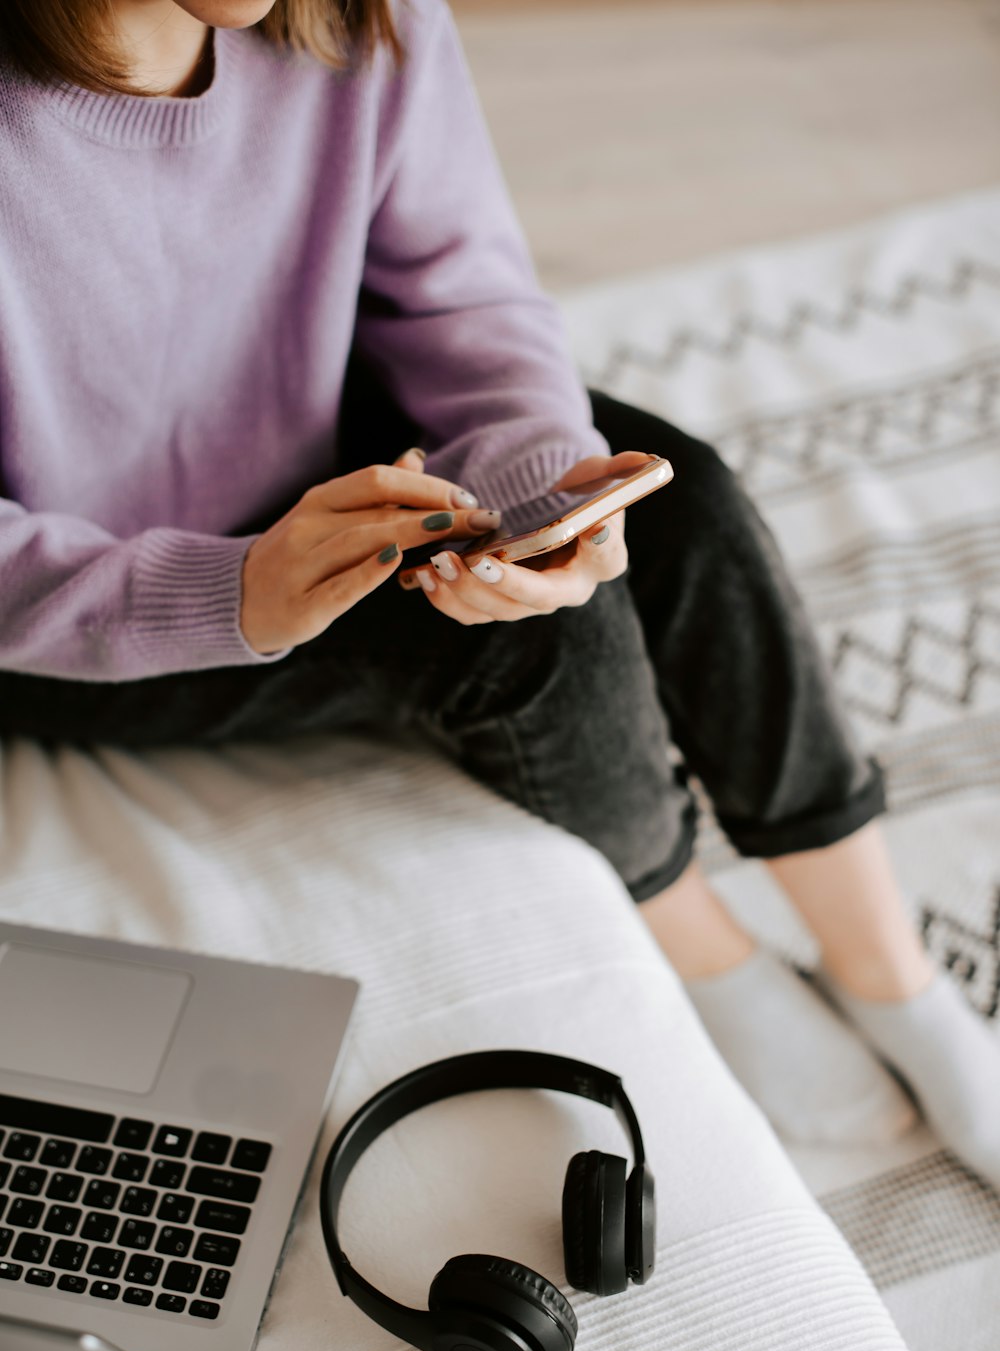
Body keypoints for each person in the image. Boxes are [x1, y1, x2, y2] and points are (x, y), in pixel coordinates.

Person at [0, 0, 997, 1186]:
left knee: (687, 505)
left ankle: (889, 971)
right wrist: (227, 590)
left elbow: (460, 301)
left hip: (295, 445)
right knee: (521, 654)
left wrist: (538, 499)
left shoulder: (360, 17)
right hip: (67, 613)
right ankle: (699, 944)